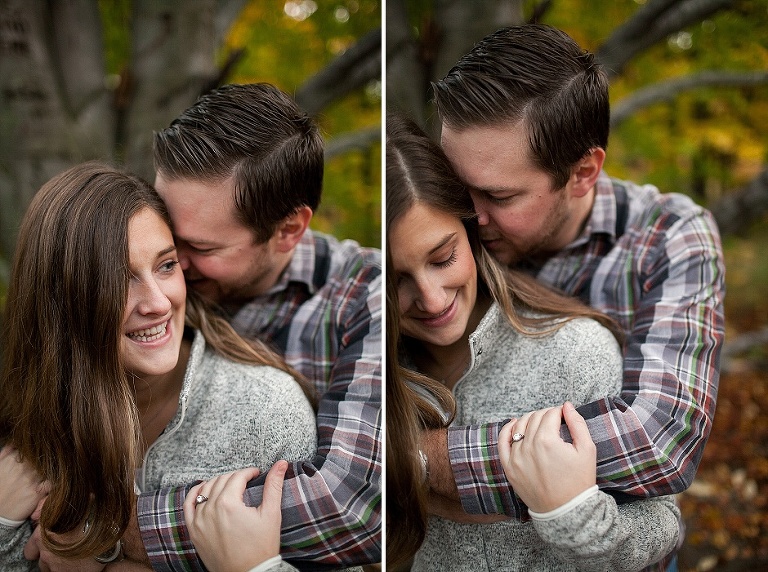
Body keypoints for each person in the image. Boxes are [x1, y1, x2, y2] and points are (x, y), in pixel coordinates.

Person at [419, 25, 725, 556]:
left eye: (498, 195)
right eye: (454, 184)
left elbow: (660, 439)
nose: (468, 214)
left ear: (583, 172)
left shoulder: (671, 236)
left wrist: (421, 460)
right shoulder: (437, 238)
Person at [47, 83, 377, 571]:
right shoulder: (149, 296)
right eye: (167, 237)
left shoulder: (365, 294)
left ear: (288, 230)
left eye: (198, 249)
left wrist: (102, 533)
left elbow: (351, 506)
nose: (173, 266)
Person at [386, 113, 681, 571]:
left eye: (443, 258)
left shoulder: (576, 351)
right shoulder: (368, 380)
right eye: (396, 281)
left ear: (471, 231)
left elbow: (662, 524)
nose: (430, 297)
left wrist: (571, 511)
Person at [0, 163, 316, 572]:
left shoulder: (266, 409)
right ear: (63, 300)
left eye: (166, 266)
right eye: (119, 279)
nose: (158, 302)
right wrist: (4, 525)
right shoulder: (26, 418)